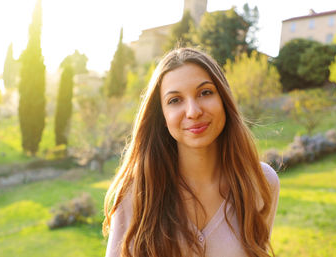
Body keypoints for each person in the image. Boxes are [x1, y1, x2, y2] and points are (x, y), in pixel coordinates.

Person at [103, 48, 280, 257]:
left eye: (205, 93)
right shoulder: (136, 193)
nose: (193, 111)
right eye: (175, 100)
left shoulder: (260, 182)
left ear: (223, 99)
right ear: (162, 116)